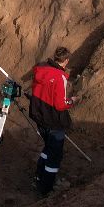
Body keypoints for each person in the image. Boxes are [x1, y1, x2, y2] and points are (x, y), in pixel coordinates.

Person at [27, 47, 75, 196]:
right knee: (54, 156)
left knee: (48, 148)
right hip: (54, 121)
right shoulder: (60, 76)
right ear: (66, 61)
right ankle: (45, 188)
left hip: (40, 117)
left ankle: (38, 177)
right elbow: (61, 104)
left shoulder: (40, 70)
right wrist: (72, 101)